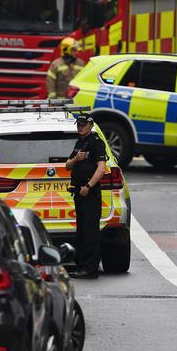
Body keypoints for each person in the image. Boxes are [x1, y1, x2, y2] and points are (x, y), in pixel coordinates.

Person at [66, 113, 107, 279]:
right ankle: (81, 266)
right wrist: (76, 158)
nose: (80, 127)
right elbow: (67, 165)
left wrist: (89, 186)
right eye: (78, 125)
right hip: (79, 192)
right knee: (82, 231)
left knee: (90, 232)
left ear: (90, 125)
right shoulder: (80, 142)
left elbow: (102, 168)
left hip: (89, 193)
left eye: (83, 125)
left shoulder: (96, 143)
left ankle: (90, 269)